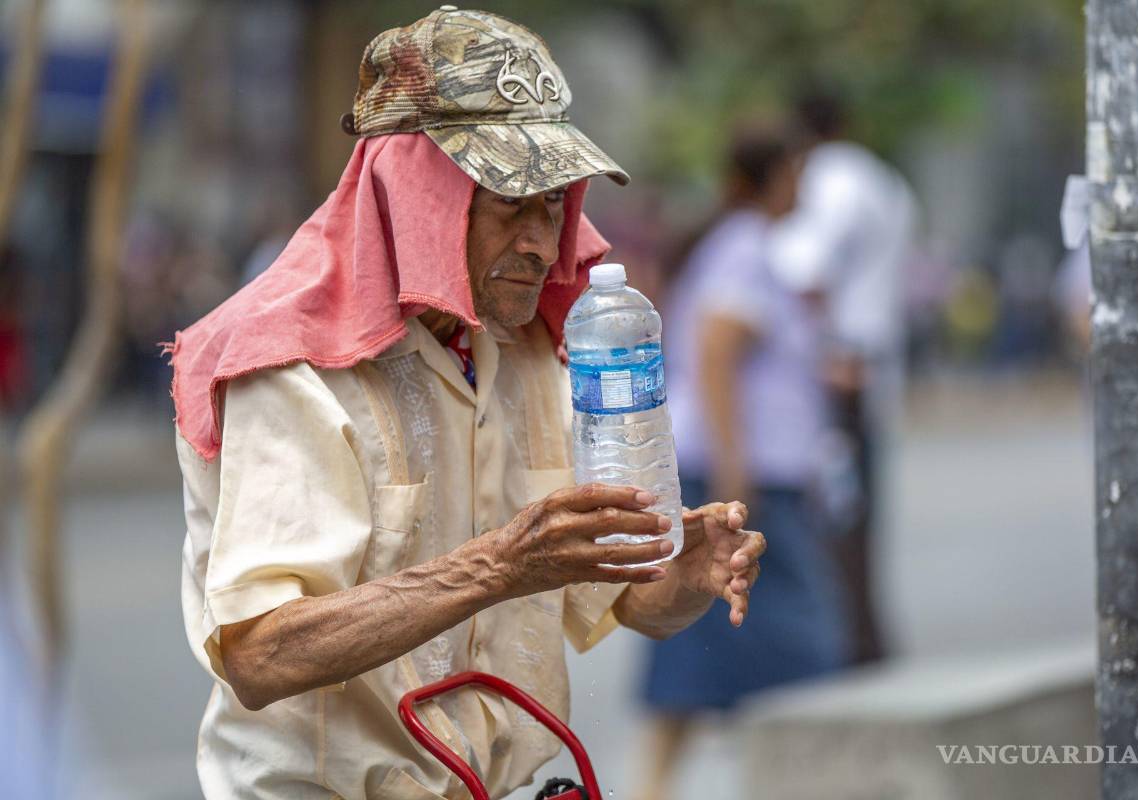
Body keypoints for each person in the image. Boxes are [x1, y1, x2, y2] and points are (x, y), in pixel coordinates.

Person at [167, 9, 765, 799]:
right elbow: (260, 654)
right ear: (419, 196)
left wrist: (680, 578)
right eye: (511, 202)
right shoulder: (291, 370)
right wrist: (499, 565)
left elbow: (616, 600)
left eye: (554, 204)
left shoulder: (523, 353)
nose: (544, 243)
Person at [635, 128, 849, 800]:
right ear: (773, 176)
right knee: (801, 646)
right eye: (795, 170)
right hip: (742, 482)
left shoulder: (740, 247)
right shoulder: (746, 249)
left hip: (744, 474)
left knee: (705, 653)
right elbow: (718, 352)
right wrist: (734, 473)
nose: (803, 187)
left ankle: (657, 786)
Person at [767, 91, 918, 665]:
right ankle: (863, 641)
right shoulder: (885, 181)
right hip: (868, 366)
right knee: (856, 516)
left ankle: (840, 648)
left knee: (827, 523)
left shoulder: (832, 179)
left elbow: (802, 270)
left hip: (833, 371)